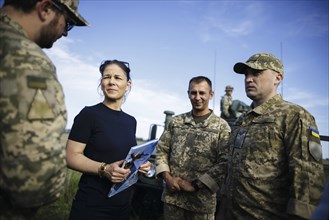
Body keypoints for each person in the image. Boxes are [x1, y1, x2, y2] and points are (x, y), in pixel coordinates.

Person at [0, 0, 88, 219]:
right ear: (45, 9)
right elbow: (33, 178)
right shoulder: (25, 59)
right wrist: (51, 191)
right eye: (67, 23)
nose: (65, 34)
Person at [218, 53, 325, 220]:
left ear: (278, 78)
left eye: (256, 73)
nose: (248, 79)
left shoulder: (294, 116)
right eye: (246, 74)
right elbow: (231, 169)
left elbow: (307, 178)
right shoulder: (241, 120)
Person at [66, 60, 151, 220]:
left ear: (128, 84)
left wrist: (140, 165)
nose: (111, 81)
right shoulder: (89, 114)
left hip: (122, 207)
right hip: (91, 207)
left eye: (118, 77)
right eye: (107, 77)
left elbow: (124, 158)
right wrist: (104, 169)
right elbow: (70, 157)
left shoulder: (130, 121)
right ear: (101, 82)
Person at [155, 76, 231, 220]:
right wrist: (168, 178)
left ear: (211, 94)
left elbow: (225, 162)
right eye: (193, 93)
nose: (197, 97)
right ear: (188, 93)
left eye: (202, 93)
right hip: (173, 200)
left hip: (201, 205)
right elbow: (162, 150)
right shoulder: (176, 122)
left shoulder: (221, 127)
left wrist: (195, 185)